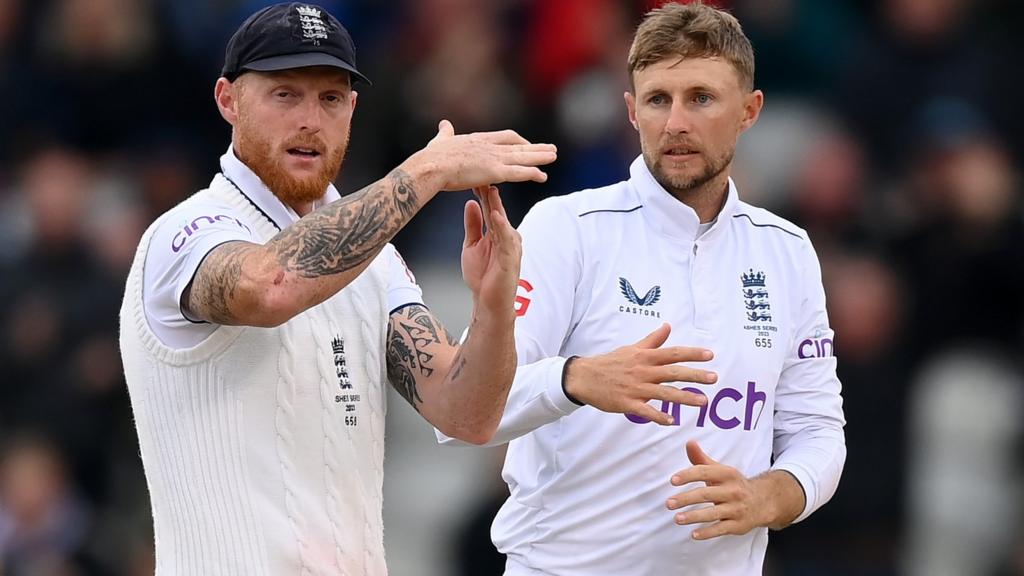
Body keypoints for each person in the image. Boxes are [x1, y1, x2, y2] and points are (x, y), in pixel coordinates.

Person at [117, 3, 556, 574]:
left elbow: (466, 415)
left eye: (329, 98)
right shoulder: (185, 232)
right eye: (285, 94)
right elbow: (270, 287)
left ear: (352, 109)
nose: (309, 120)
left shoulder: (376, 260)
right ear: (227, 100)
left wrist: (493, 306)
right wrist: (423, 173)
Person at [438, 3, 846, 574]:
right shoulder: (567, 228)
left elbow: (818, 430)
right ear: (631, 111)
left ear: (749, 111)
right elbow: (463, 415)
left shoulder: (787, 250)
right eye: (658, 99)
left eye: (701, 98)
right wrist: (574, 378)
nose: (676, 121)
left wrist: (768, 497)